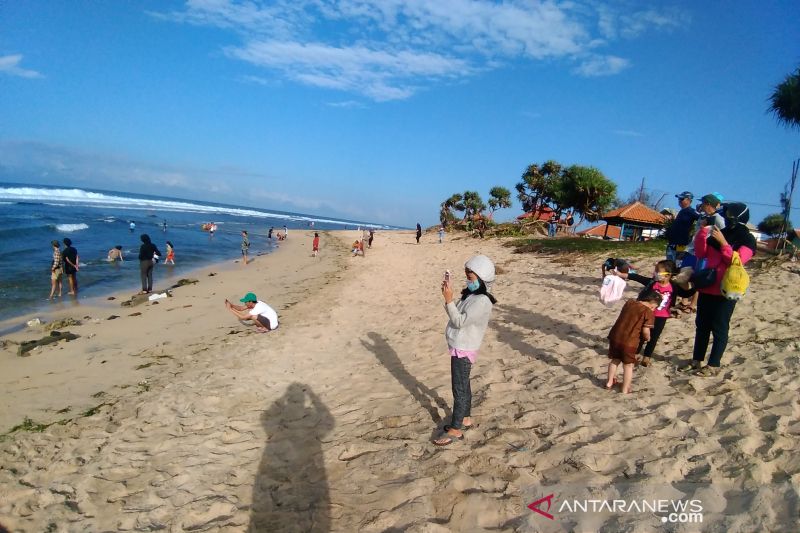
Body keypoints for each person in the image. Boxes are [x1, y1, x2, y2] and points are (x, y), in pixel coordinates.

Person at [679, 202, 756, 376]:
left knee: (719, 327)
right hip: (707, 286)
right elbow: (701, 253)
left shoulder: (747, 239)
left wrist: (724, 244)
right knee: (702, 326)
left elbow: (737, 261)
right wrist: (702, 231)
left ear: (737, 216)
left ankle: (714, 364)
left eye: (728, 213)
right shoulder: (722, 233)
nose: (725, 215)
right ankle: (696, 360)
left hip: (726, 291)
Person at [434, 255, 497, 446]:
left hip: (464, 348)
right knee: (464, 384)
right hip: (460, 346)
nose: (468, 281)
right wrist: (451, 294)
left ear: (482, 278)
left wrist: (449, 300)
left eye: (470, 277)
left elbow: (459, 321)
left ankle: (456, 429)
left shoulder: (482, 301)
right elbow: (460, 315)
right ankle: (466, 418)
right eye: (467, 277)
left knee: (459, 389)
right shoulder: (472, 295)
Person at [627, 260, 695, 366]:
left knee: (653, 337)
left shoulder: (673, 287)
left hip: (661, 316)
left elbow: (686, 293)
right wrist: (625, 275)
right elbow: (639, 278)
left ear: (668, 275)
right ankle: (635, 354)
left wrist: (697, 287)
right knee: (641, 335)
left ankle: (647, 357)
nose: (655, 273)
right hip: (647, 314)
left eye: (657, 271)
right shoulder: (653, 283)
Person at [605, 289, 661, 393]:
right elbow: (645, 330)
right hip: (630, 341)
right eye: (654, 307)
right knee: (628, 365)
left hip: (615, 337)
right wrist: (648, 338)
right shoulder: (647, 312)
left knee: (615, 360)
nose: (653, 310)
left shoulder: (629, 303)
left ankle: (609, 382)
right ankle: (625, 388)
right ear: (652, 303)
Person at [665, 191, 700, 263]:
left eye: (682, 199)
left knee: (678, 265)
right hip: (672, 244)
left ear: (688, 200)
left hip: (681, 245)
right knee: (669, 266)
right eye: (679, 199)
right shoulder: (681, 211)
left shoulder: (691, 211)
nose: (679, 201)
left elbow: (701, 218)